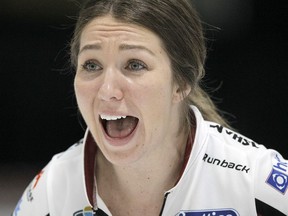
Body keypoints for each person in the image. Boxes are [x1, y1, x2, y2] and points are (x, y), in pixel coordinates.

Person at [13, 0, 287, 215]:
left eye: (135, 65)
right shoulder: (51, 191)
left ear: (182, 82)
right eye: (92, 65)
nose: (107, 91)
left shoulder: (256, 181)